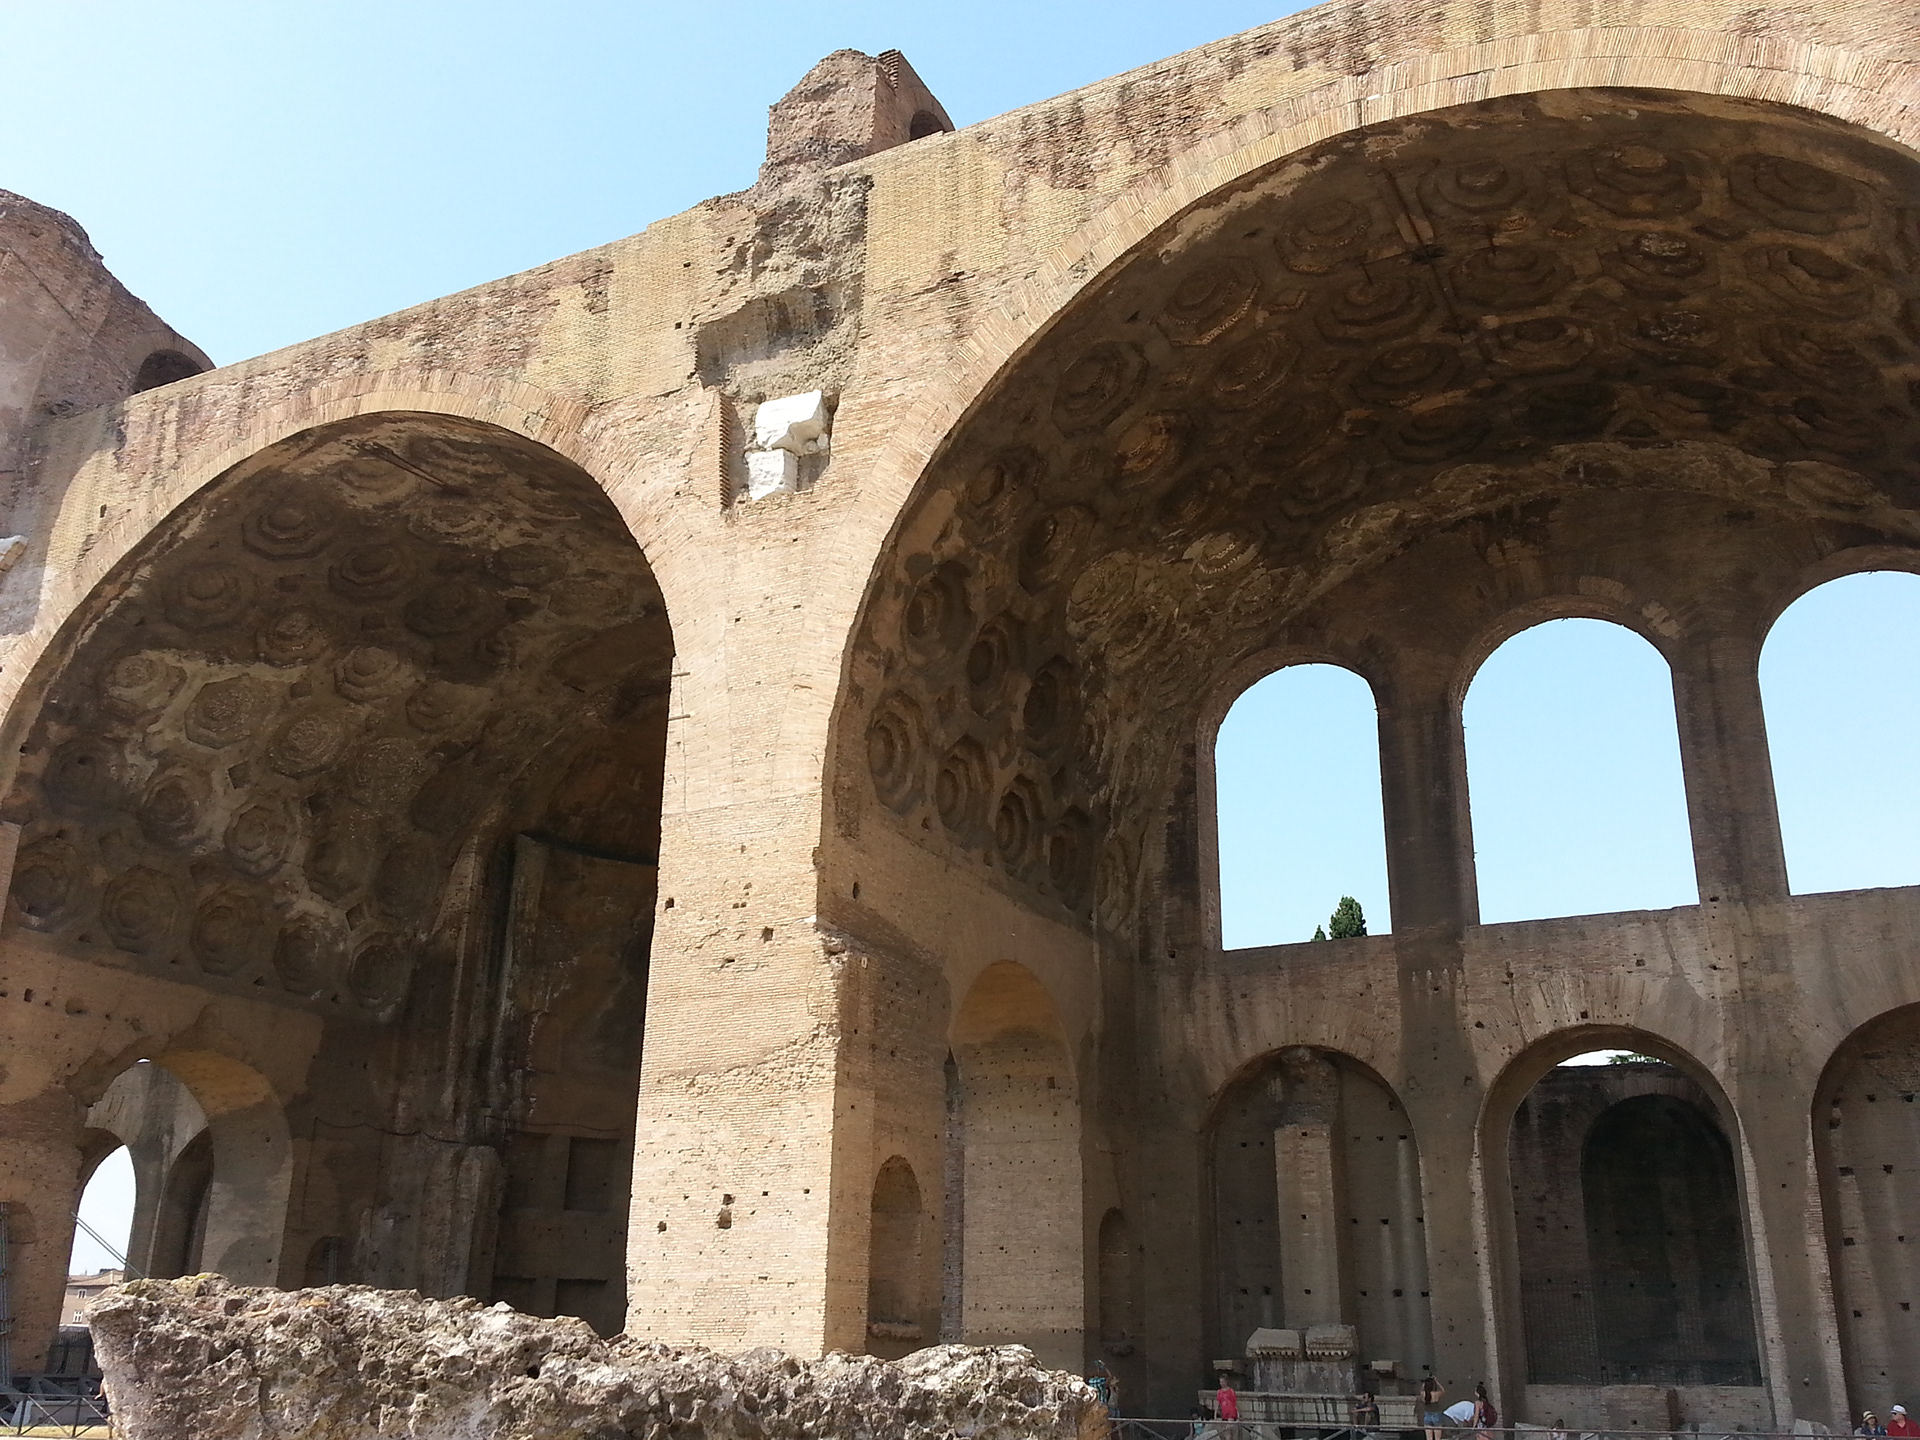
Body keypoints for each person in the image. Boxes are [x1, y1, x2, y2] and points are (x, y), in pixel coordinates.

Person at [1420, 1374, 1447, 1440]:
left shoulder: (1423, 1394)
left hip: (1427, 1415)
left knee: (1429, 1438)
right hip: (1436, 1415)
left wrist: (1425, 1381)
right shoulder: (1435, 1394)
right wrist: (1437, 1382)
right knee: (1437, 1438)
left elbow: (1421, 1389)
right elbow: (1443, 1391)